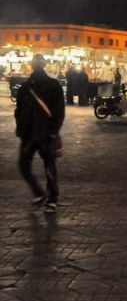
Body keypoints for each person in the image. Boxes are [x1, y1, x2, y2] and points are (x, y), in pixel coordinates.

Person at [15, 54, 65, 213]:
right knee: (49, 166)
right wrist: (53, 131)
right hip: (45, 134)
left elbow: (19, 110)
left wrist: (21, 128)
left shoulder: (26, 86)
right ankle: (51, 199)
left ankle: (39, 193)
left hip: (29, 134)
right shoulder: (53, 84)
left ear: (31, 66)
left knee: (24, 165)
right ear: (44, 65)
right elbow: (59, 111)